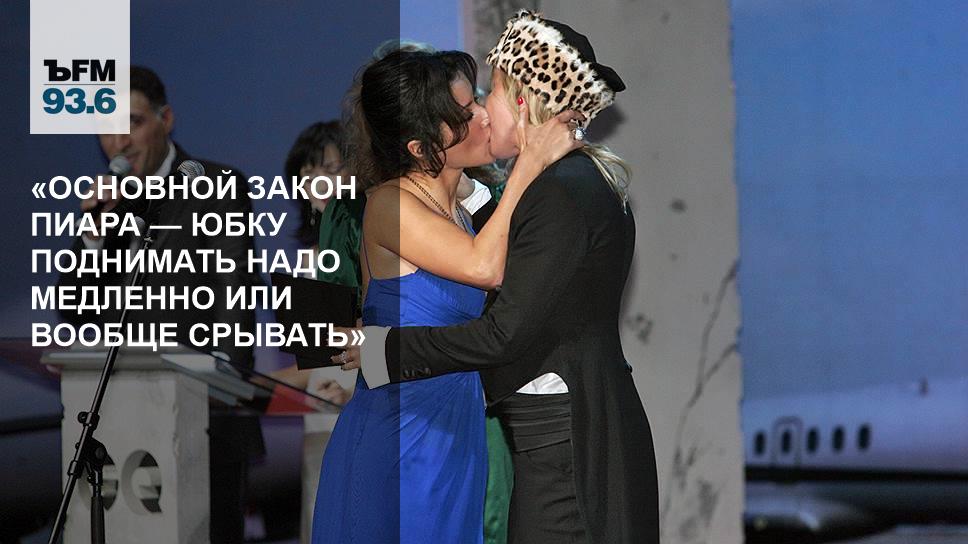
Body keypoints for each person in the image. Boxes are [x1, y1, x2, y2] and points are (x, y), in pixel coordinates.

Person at [342, 11, 660, 544]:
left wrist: (381, 351)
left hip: (565, 442)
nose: (483, 114)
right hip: (527, 433)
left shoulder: (559, 191)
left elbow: (502, 332)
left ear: (522, 103)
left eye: (487, 96)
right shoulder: (563, 184)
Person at [310, 49, 581, 544]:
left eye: (476, 101)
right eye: (464, 113)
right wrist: (529, 162)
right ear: (421, 147)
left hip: (457, 430)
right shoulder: (389, 204)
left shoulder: (462, 208)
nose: (484, 116)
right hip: (402, 435)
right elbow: (485, 268)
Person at [55, 65, 263, 544]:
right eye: (106, 128)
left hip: (203, 422)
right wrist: (92, 240)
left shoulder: (216, 186)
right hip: (120, 425)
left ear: (165, 119)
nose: (119, 142)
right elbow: (73, 310)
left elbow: (235, 301)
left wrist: (222, 387)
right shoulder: (106, 203)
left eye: (132, 122)